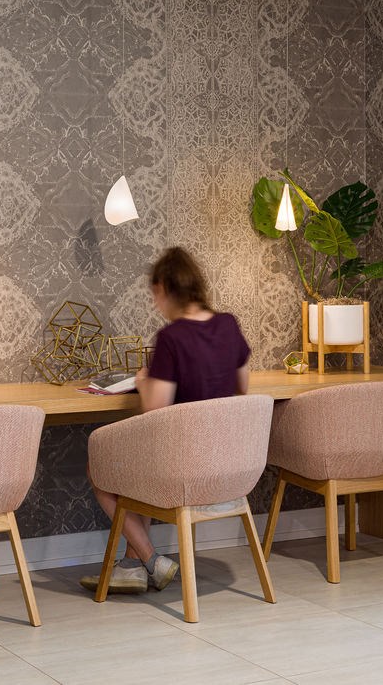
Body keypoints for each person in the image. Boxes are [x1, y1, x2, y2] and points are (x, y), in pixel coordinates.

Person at [81, 246, 252, 594]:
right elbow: (242, 387)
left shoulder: (171, 339)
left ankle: (151, 560)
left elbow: (155, 411)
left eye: (154, 295)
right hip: (230, 466)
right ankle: (131, 567)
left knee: (99, 469)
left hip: (183, 467)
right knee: (139, 460)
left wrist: (144, 382)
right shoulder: (229, 325)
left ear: (162, 289)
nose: (155, 303)